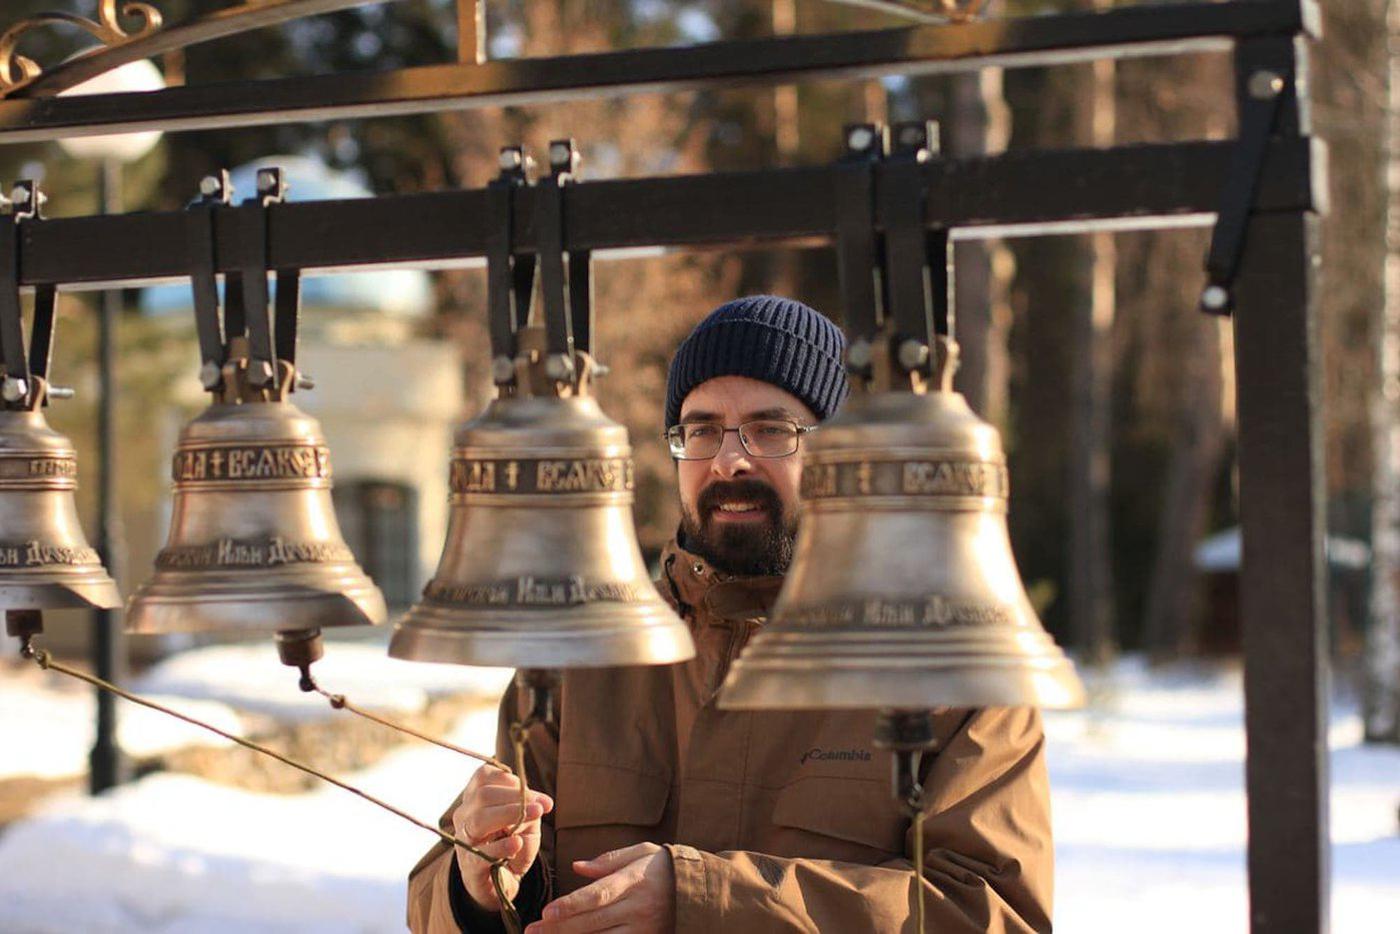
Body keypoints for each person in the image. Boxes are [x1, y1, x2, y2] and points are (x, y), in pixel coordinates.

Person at [407, 295, 1053, 933]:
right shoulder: (584, 655)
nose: (728, 460)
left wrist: (709, 900)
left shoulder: (957, 671)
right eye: (701, 430)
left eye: (772, 429)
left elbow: (994, 916)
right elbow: (451, 900)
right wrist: (480, 887)